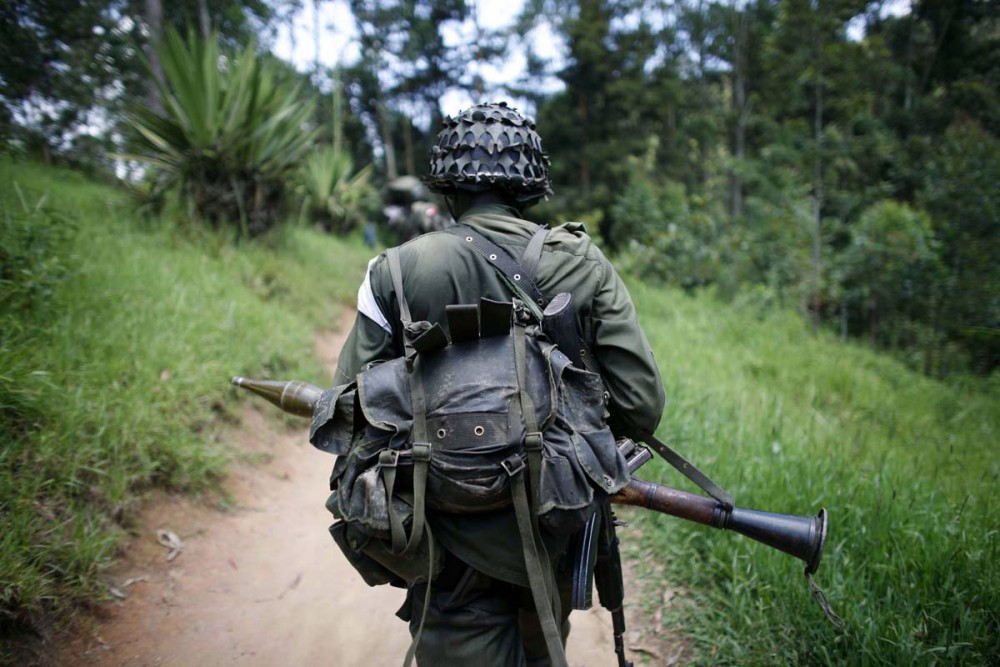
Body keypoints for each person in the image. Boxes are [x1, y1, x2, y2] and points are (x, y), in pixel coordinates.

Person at [334, 101, 665, 666]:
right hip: (553, 521)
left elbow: (352, 408)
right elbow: (640, 407)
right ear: (532, 185)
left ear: (445, 188)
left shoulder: (391, 270)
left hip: (444, 543)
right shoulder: (583, 263)